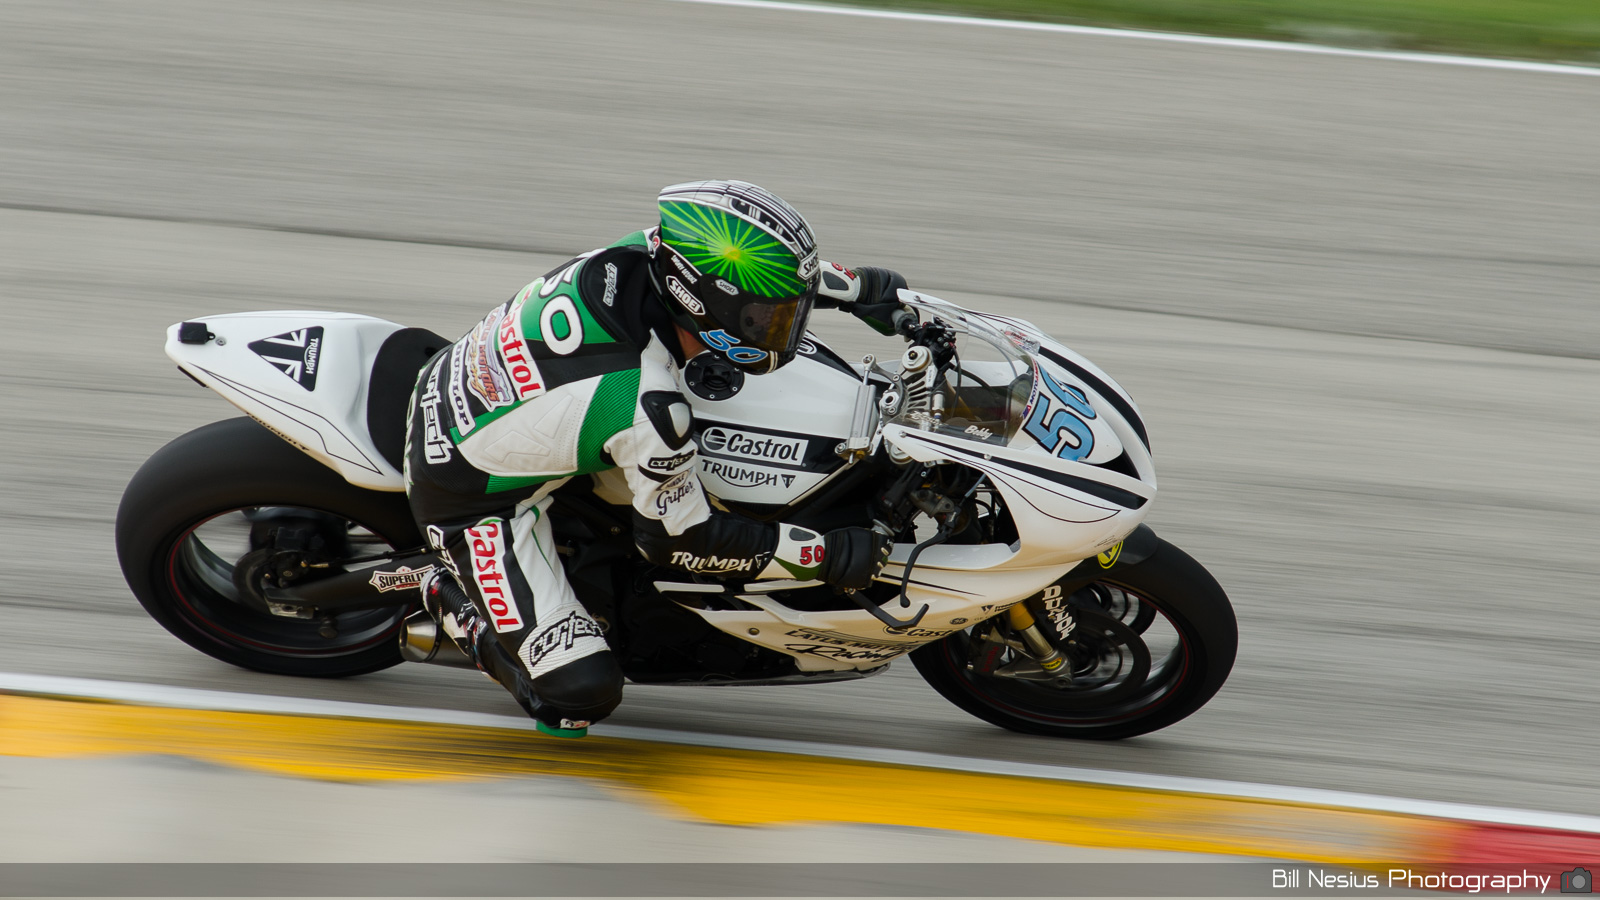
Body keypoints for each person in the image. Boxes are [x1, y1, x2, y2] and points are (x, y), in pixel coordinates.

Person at [404, 180, 911, 736]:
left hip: (501, 394)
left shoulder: (651, 252)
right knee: (577, 697)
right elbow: (679, 541)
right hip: (468, 492)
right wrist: (822, 554)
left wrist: (860, 289)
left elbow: (767, 275)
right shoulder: (647, 404)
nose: (782, 331)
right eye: (767, 319)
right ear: (705, 304)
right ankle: (444, 593)